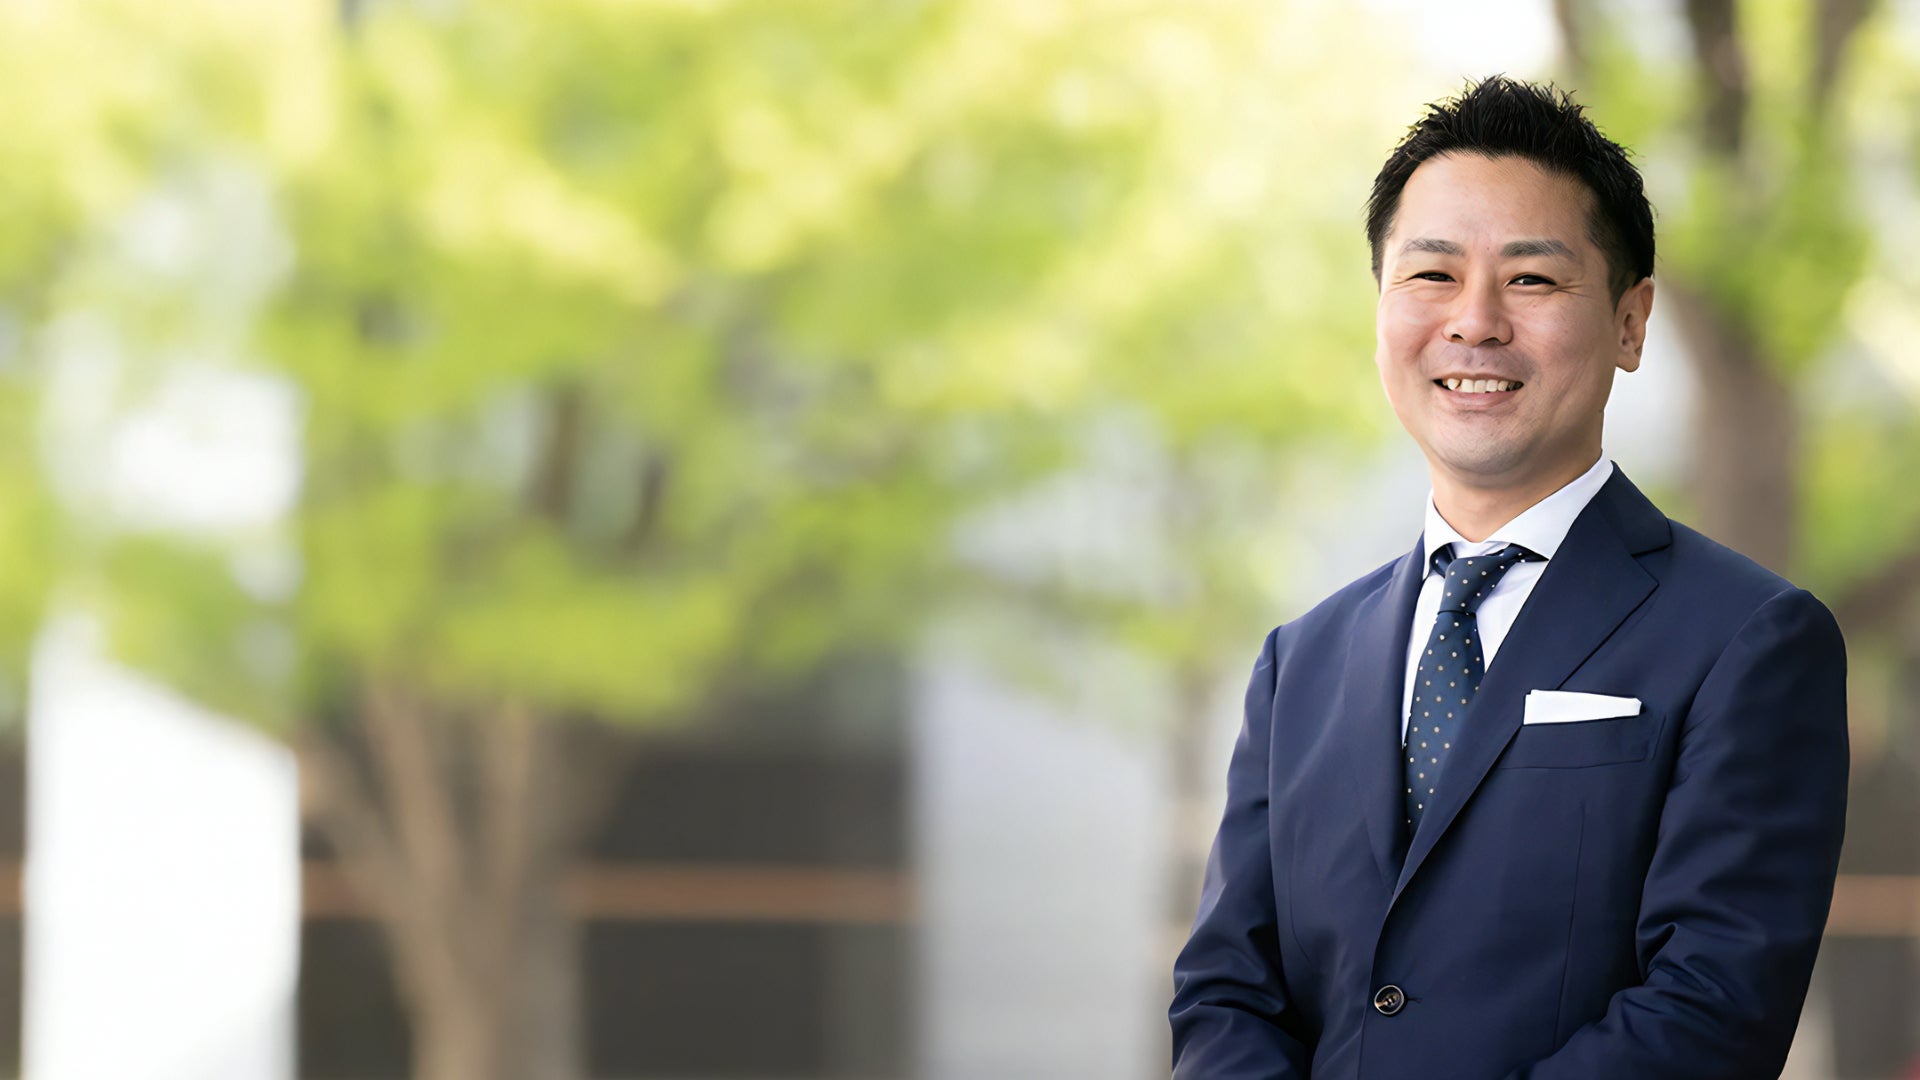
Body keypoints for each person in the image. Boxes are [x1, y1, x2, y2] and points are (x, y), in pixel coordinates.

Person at [1168, 76, 1849, 1080]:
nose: (1475, 321)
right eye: (1431, 274)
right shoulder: (1300, 662)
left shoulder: (1749, 639)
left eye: (1531, 279)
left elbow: (1712, 1008)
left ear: (1630, 322)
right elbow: (1228, 993)